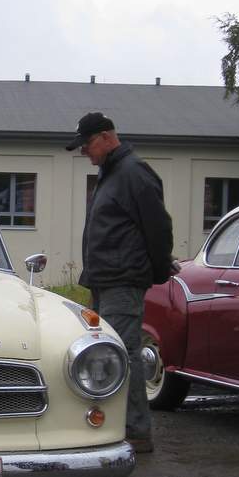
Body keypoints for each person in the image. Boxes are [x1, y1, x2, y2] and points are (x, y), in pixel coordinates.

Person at [65, 111, 179, 454]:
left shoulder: (134, 173)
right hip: (105, 281)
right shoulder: (111, 173)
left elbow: (158, 228)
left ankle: (136, 431)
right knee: (104, 353)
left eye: (87, 145)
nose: (85, 152)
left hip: (123, 282)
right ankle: (111, 424)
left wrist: (157, 270)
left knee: (123, 354)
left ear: (105, 137)